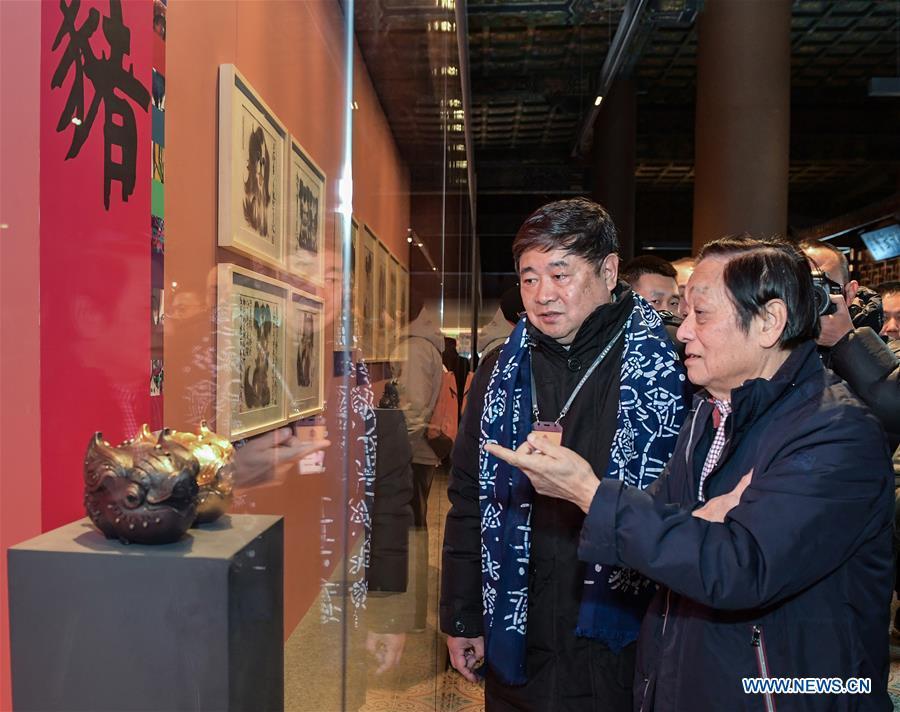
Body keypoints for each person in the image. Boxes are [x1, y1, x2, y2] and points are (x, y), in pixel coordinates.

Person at [488, 236, 895, 711]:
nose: (682, 332)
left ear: (769, 322)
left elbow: (736, 568)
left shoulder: (836, 434)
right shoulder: (709, 412)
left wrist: (590, 493)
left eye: (700, 315)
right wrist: (699, 524)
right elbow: (671, 528)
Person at [441, 198, 686, 710]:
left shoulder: (670, 369)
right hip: (517, 634)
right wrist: (463, 615)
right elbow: (467, 495)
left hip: (623, 639)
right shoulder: (498, 371)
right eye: (529, 279)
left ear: (609, 270)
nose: (543, 295)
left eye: (560, 274)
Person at [801, 241, 899, 449]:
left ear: (850, 291)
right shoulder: (769, 344)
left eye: (822, 284)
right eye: (801, 284)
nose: (813, 295)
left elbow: (895, 412)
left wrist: (847, 341)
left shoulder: (886, 352)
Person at [392, 293, 444, 630]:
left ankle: (412, 615)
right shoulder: (422, 343)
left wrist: (396, 449)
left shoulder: (413, 347)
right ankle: (413, 612)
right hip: (418, 450)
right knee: (415, 528)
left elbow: (413, 408)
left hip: (412, 451)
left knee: (411, 532)